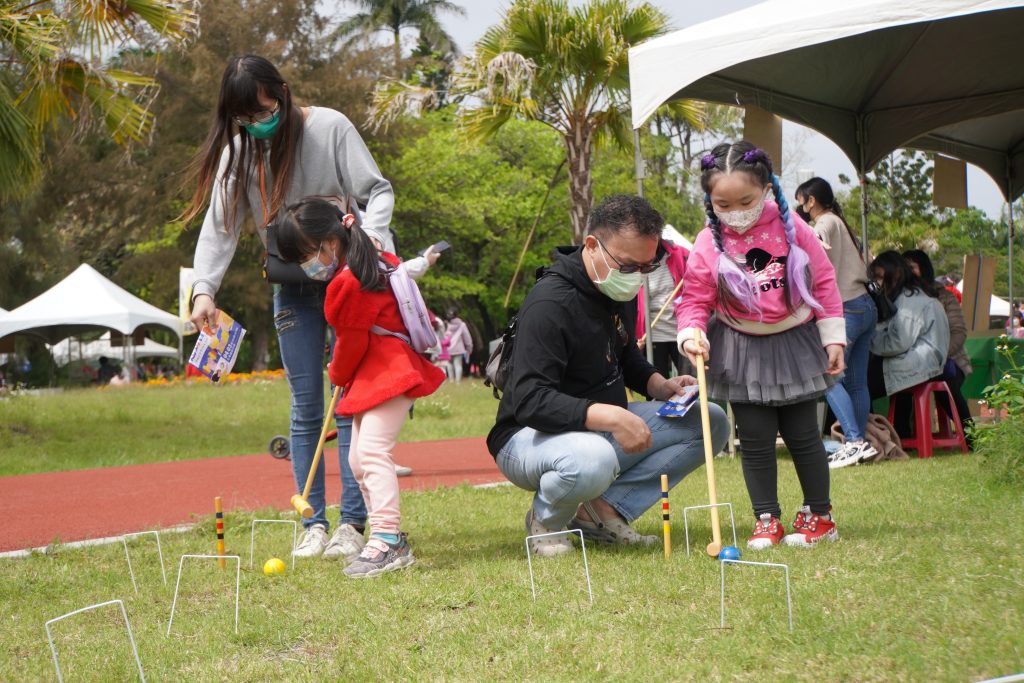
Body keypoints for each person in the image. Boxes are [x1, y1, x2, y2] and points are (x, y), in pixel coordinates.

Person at [184, 55, 395, 562]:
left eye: (264, 111)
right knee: (306, 407)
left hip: (345, 280)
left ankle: (351, 523)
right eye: (245, 119)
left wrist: (369, 249)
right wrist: (203, 290)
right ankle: (311, 523)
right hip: (292, 288)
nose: (260, 124)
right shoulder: (239, 154)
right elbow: (220, 227)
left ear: (282, 91)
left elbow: (377, 191)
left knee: (346, 403)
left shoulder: (330, 128)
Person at [487, 194, 730, 558]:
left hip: (595, 429)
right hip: (527, 437)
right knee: (593, 458)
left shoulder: (616, 286)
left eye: (648, 267)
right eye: (630, 266)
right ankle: (546, 522)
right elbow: (528, 399)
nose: (638, 278)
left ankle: (598, 513)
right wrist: (612, 416)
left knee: (709, 421)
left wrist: (658, 385)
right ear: (592, 245)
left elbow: (624, 352)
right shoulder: (550, 303)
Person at [678, 142, 846, 550]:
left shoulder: (794, 229)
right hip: (740, 348)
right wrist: (691, 333)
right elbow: (695, 297)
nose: (736, 211)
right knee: (754, 439)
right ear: (709, 200)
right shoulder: (707, 241)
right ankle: (766, 519)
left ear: (768, 189)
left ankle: (819, 517)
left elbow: (823, 281)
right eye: (723, 203)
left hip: (794, 344)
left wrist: (833, 336)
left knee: (803, 435)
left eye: (746, 201)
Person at [273, 198, 445, 577]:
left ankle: (387, 539)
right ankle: (381, 538)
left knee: (370, 453)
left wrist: (336, 372)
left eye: (306, 255)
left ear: (330, 243)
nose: (306, 266)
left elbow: (351, 343)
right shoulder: (374, 261)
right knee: (356, 460)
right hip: (377, 373)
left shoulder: (348, 283)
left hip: (389, 370)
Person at [795, 177, 878, 469]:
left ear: (811, 201)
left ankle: (854, 441)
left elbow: (814, 248)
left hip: (845, 307)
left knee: (827, 375)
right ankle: (859, 443)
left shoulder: (825, 223)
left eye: (801, 201)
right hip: (865, 305)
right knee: (856, 382)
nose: (800, 207)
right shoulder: (842, 223)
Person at [903, 250, 974, 445]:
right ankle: (902, 436)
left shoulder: (944, 296)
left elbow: (959, 332)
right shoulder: (899, 297)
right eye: (904, 268)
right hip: (914, 363)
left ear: (924, 269)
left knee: (945, 381)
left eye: (912, 267)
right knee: (899, 380)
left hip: (950, 360)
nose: (908, 272)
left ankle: (970, 436)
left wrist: (939, 356)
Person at [867, 252, 950, 417]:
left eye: (879, 277)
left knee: (856, 385)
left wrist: (868, 340)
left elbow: (897, 343)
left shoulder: (908, 301)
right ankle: (889, 434)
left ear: (895, 275)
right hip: (926, 360)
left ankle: (861, 435)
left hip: (921, 363)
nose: (877, 283)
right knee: (859, 380)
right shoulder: (911, 293)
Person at [635, 237, 690, 377]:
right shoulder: (633, 260)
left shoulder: (679, 254)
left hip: (681, 333)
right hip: (652, 335)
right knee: (657, 383)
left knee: (690, 384)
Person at [443, 309, 473, 383]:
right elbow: (467, 337)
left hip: (447, 348)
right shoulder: (462, 324)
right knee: (458, 365)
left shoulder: (446, 324)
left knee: (449, 365)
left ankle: (451, 380)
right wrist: (469, 347)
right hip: (458, 348)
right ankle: (457, 382)